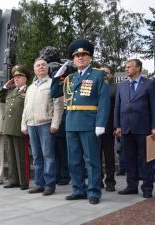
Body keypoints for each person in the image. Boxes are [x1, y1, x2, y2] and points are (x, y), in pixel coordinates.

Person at [58, 39, 110, 204]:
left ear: (90, 58)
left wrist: (101, 123)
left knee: (91, 160)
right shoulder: (70, 78)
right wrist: (57, 76)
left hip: (89, 123)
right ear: (73, 60)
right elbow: (54, 92)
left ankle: (94, 192)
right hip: (71, 123)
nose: (80, 58)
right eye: (77, 56)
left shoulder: (98, 75)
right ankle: (78, 189)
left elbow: (104, 101)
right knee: (73, 160)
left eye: (84, 55)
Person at [115, 59, 155, 198]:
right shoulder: (121, 86)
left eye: (129, 67)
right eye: (125, 67)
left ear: (138, 68)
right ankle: (131, 186)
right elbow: (117, 107)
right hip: (126, 129)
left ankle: (147, 188)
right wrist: (117, 126)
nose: (127, 69)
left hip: (144, 129)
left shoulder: (150, 84)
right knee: (129, 159)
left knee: (146, 160)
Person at [21, 58, 64, 196]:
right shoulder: (30, 87)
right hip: (31, 124)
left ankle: (49, 185)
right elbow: (26, 107)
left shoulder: (53, 83)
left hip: (46, 124)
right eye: (38, 65)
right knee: (37, 156)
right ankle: (39, 184)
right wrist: (24, 123)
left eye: (43, 65)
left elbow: (58, 105)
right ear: (34, 69)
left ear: (47, 68)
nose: (41, 67)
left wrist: (55, 124)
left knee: (48, 156)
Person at [0, 64, 31, 190]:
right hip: (8, 127)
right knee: (10, 155)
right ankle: (13, 180)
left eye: (19, 76)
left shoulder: (29, 90)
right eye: (14, 77)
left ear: (25, 78)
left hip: (20, 127)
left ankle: (23, 181)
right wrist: (5, 87)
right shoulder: (11, 91)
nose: (16, 79)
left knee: (21, 155)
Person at [99, 66, 117, 192]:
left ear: (111, 74)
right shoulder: (94, 85)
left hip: (109, 127)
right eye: (101, 72)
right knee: (95, 156)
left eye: (106, 72)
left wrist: (117, 126)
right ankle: (98, 180)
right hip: (94, 128)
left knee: (109, 157)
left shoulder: (115, 87)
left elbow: (117, 109)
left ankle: (110, 182)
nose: (104, 73)